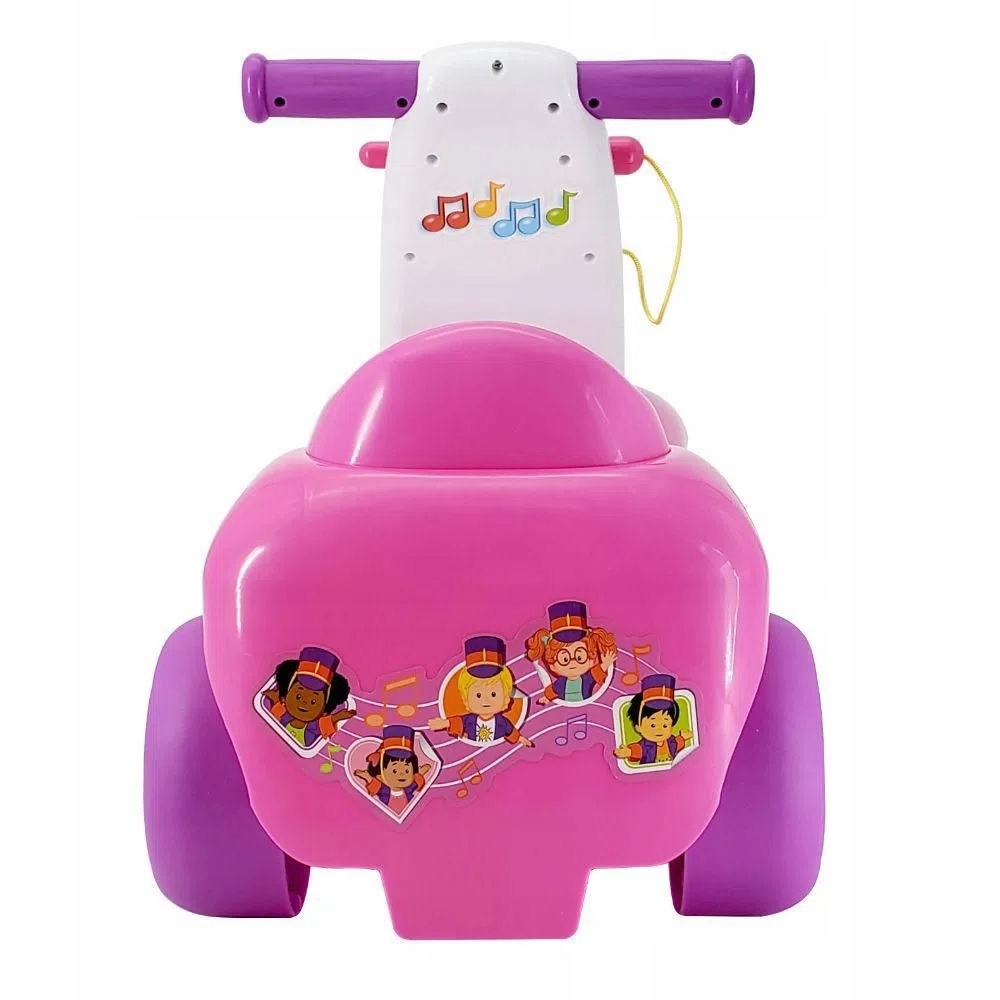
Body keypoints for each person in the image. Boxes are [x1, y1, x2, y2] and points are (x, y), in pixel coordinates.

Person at [428, 636, 534, 746]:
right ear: (466, 699)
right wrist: (444, 723)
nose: (486, 700)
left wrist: (520, 739)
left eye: (493, 694)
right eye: (478, 695)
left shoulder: (502, 723)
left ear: (506, 698)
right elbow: (458, 722)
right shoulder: (469, 721)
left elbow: (511, 732)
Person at [261, 646, 355, 750]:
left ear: (324, 711)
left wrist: (338, 717)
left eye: (313, 701)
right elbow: (278, 712)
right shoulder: (284, 716)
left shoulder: (312, 728)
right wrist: (275, 698)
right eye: (298, 696)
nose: (304, 703)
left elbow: (321, 724)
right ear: (285, 698)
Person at [525, 601, 617, 704]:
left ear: (591, 658)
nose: (573, 662)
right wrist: (546, 698)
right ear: (552, 665)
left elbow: (595, 674)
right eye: (565, 659)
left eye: (579, 657)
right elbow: (553, 690)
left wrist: (605, 664)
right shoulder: (561, 683)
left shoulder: (586, 679)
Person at [614, 674, 693, 765]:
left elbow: (677, 743)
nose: (659, 729)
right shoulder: (645, 746)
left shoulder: (671, 741)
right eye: (653, 725)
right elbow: (638, 750)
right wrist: (628, 752)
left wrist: (683, 737)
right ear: (638, 727)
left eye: (665, 725)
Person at [354, 725, 431, 810]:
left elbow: (415, 782)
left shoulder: (408, 789)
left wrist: (420, 773)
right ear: (380, 775)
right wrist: (367, 777)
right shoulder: (384, 791)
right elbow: (377, 786)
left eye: (407, 771)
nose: (401, 774)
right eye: (394, 771)